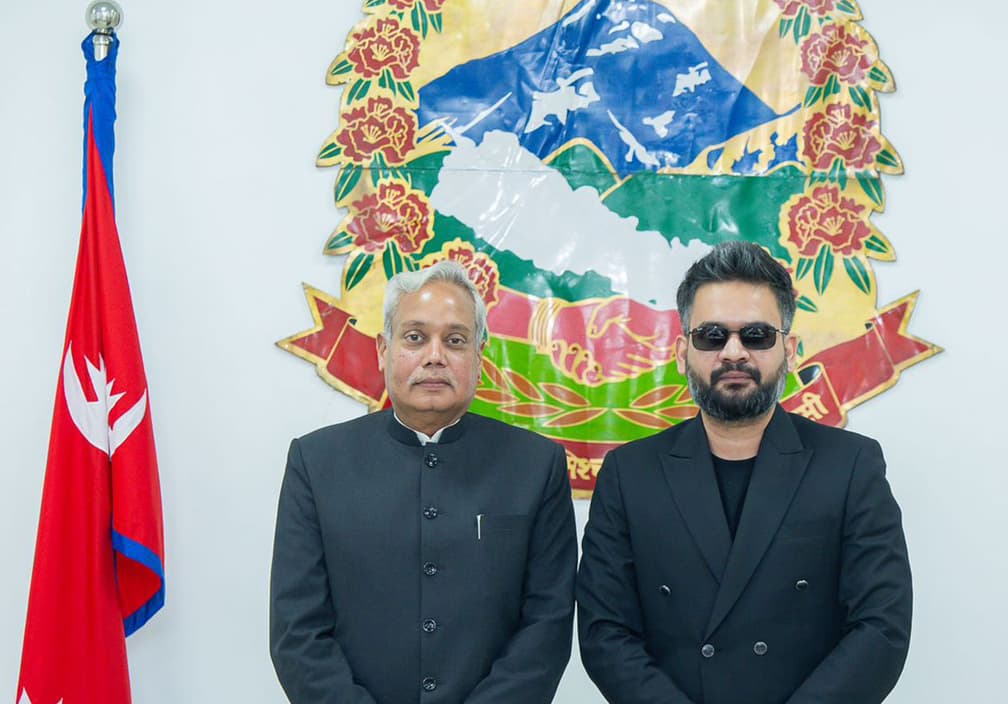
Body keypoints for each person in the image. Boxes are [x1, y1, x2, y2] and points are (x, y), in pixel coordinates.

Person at [576, 241, 912, 704]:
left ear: (789, 349)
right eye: (712, 336)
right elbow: (604, 633)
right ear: (682, 351)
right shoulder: (629, 474)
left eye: (756, 335)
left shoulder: (851, 465)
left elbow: (881, 627)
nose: (734, 353)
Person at [270, 261, 577, 704]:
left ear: (479, 354)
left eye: (455, 340)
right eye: (415, 337)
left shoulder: (536, 465)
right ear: (383, 349)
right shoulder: (316, 463)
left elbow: (546, 628)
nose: (435, 356)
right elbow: (297, 632)